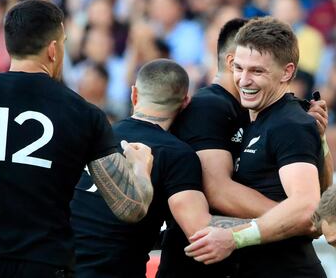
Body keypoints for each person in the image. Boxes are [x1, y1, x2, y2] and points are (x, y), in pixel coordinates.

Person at [0, 0, 154, 278]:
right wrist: (140, 167)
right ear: (53, 49)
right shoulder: (82, 113)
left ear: (9, 45)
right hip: (46, 265)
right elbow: (131, 207)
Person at [158, 18, 332, 277]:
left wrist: (234, 238)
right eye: (239, 68)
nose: (243, 80)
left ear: (286, 72)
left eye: (257, 71)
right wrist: (321, 143)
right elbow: (319, 202)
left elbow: (308, 207)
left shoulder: (288, 123)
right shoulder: (260, 118)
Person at [70, 58, 251, 278]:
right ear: (185, 102)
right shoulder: (176, 154)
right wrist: (270, 223)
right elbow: (198, 229)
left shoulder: (94, 138)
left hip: (64, 267)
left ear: (134, 94)